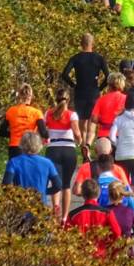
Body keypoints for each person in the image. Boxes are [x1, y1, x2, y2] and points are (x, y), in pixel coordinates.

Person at [61, 33, 109, 151]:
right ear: (93, 43)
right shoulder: (99, 58)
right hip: (93, 92)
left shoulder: (76, 58)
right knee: (91, 126)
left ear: (81, 44)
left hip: (80, 92)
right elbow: (108, 76)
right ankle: (88, 144)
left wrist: (73, 85)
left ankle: (83, 148)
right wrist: (100, 88)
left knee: (82, 124)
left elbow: (64, 74)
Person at [44, 88, 82, 223]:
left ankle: (55, 207)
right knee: (66, 184)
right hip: (68, 150)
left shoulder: (48, 113)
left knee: (56, 181)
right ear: (68, 100)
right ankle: (65, 218)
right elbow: (77, 132)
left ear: (56, 98)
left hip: (52, 149)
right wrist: (81, 142)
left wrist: (44, 140)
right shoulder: (72, 115)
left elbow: (43, 131)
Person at [2, 131, 61, 205]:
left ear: (21, 144)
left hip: (20, 206)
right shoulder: (47, 163)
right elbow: (58, 185)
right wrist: (45, 192)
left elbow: (6, 184)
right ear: (39, 145)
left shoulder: (14, 162)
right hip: (40, 207)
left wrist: (15, 195)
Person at [65, 178, 122, 256]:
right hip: (102, 257)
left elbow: (66, 239)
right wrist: (112, 252)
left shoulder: (73, 215)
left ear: (82, 194)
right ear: (99, 193)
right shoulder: (107, 213)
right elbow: (117, 233)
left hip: (79, 258)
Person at [0, 83, 48, 159]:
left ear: (19, 96)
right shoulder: (36, 113)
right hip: (31, 147)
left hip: (15, 147)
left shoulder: (10, 111)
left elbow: (1, 132)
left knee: (15, 170)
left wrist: (14, 134)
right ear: (31, 97)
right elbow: (43, 133)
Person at [87, 72, 127, 148]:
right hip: (121, 134)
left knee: (105, 159)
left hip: (104, 135)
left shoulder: (101, 99)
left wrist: (100, 119)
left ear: (109, 85)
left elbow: (94, 119)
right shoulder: (126, 99)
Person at [107, 180, 134, 248]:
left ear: (108, 195)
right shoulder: (129, 211)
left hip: (107, 253)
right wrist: (127, 239)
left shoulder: (103, 211)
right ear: (122, 196)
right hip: (126, 252)